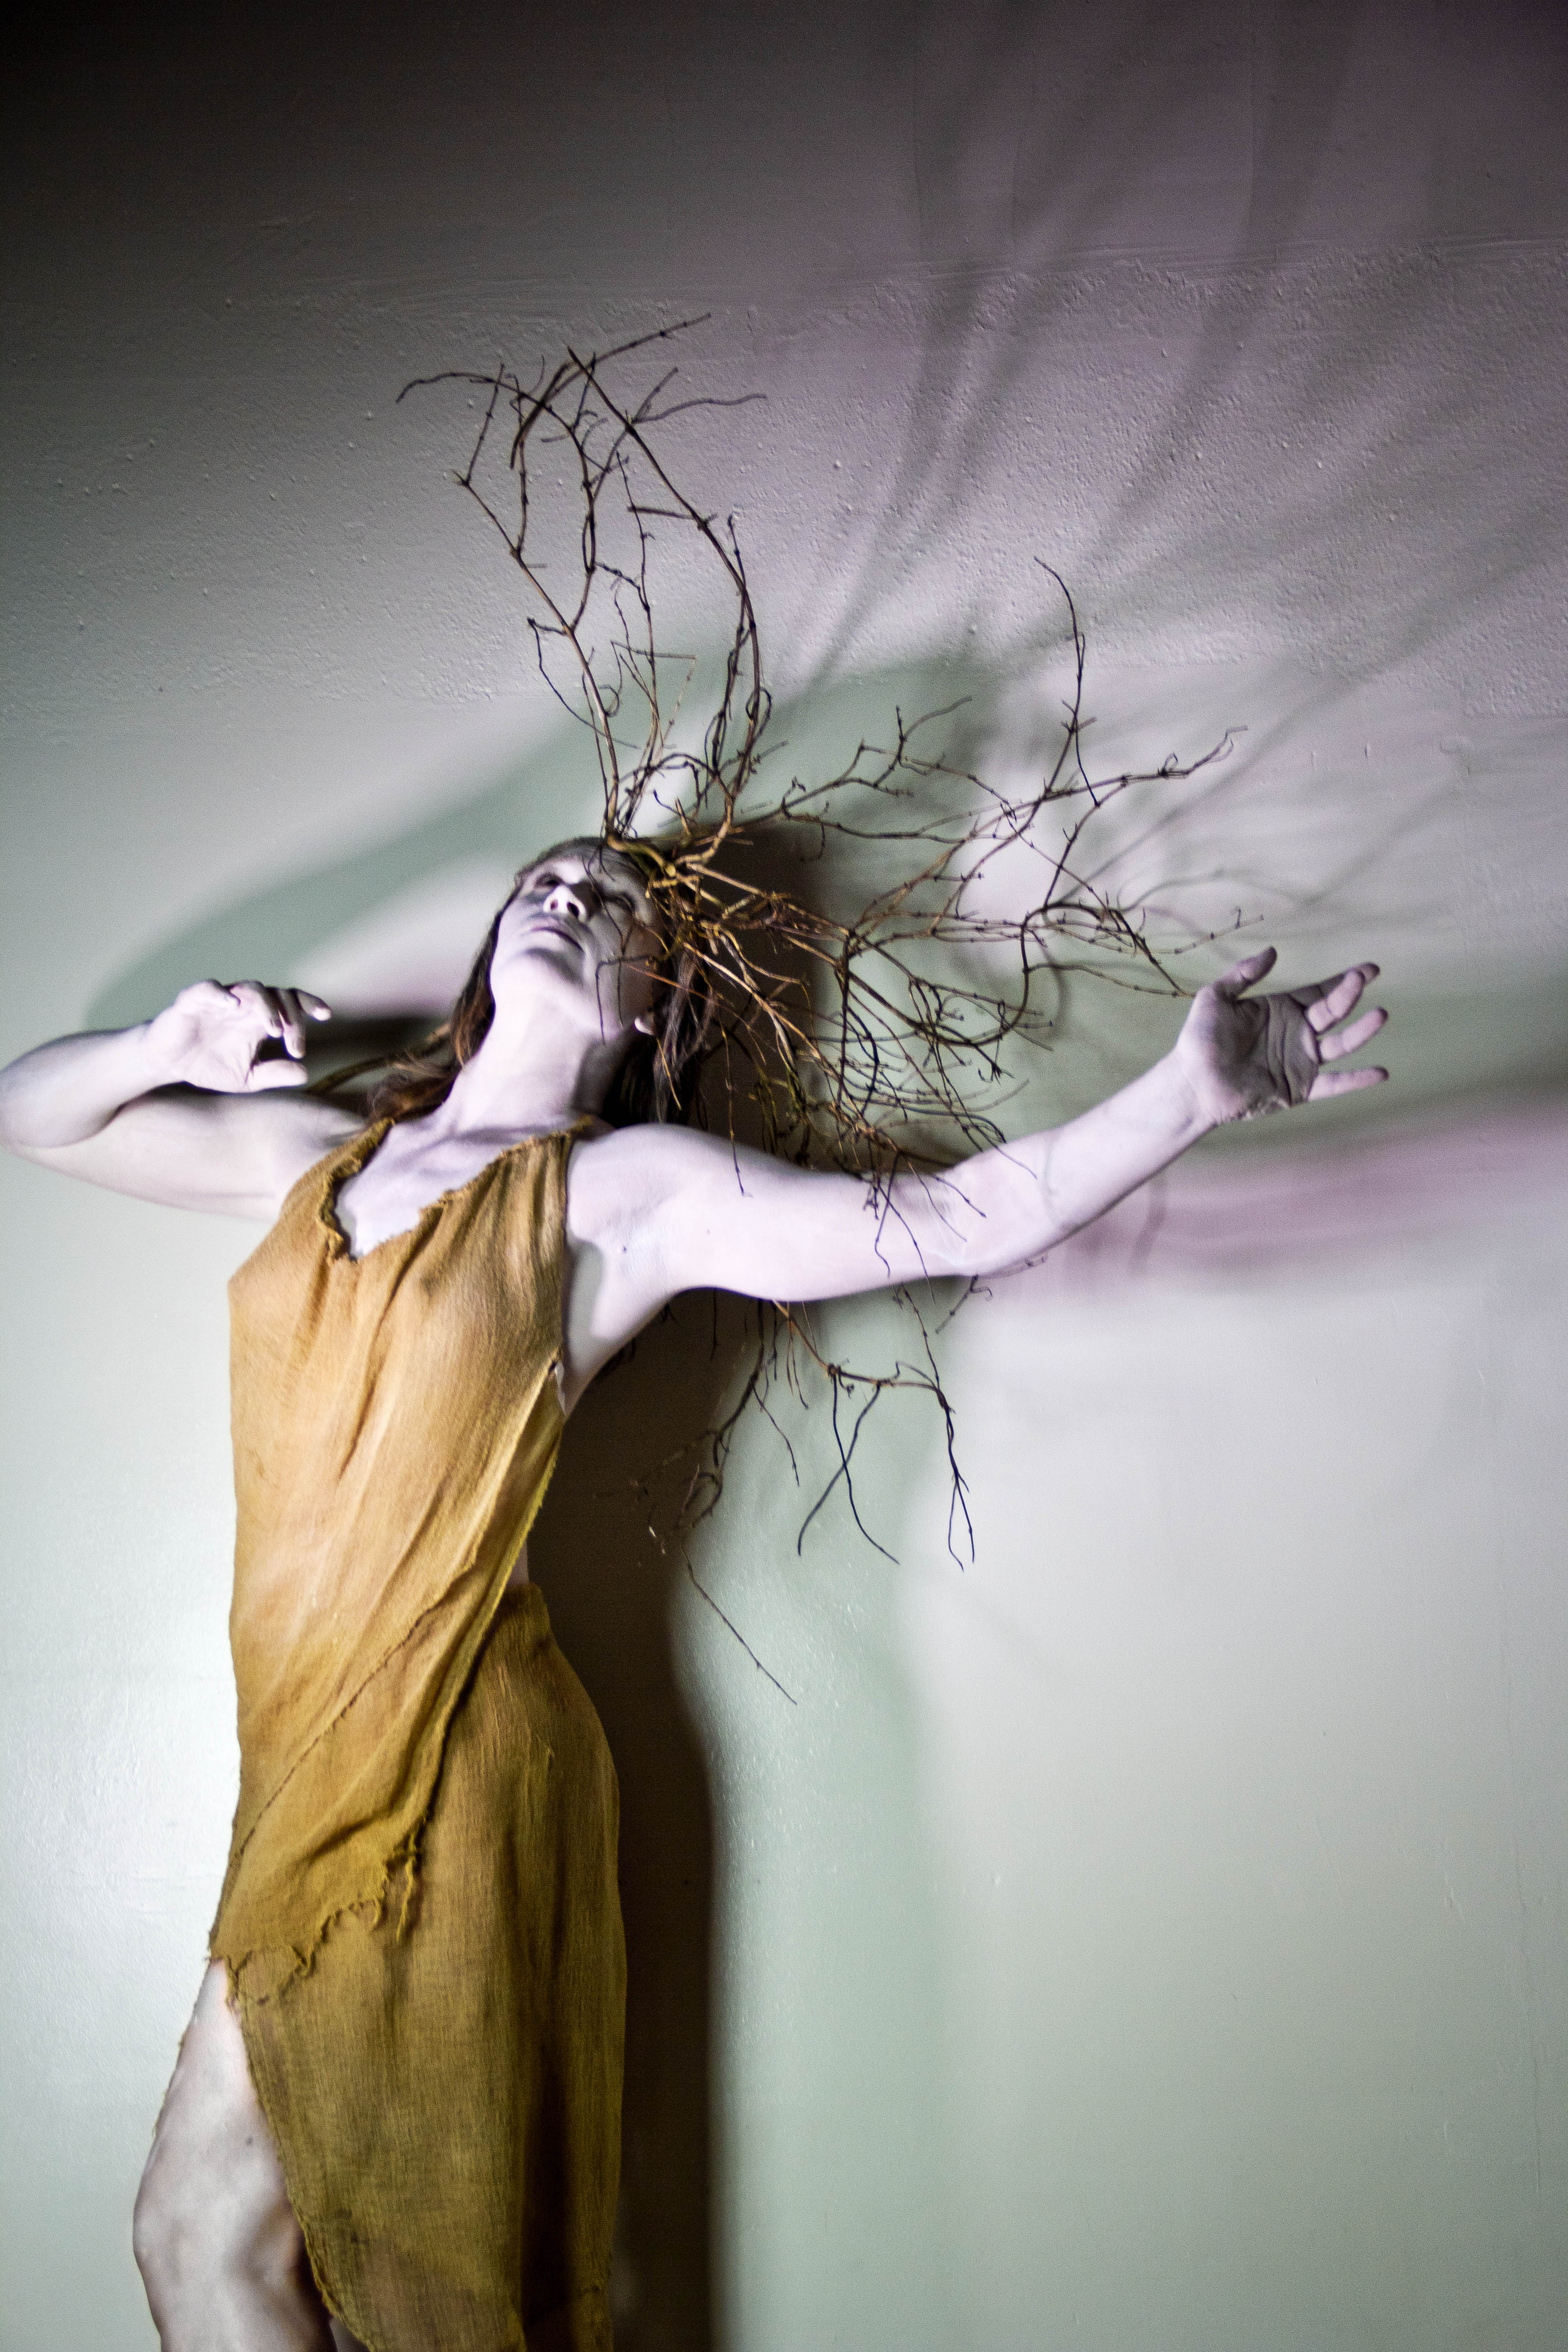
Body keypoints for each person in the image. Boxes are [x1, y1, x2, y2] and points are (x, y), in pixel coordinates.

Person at [0, 837, 1387, 2352]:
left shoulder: (626, 1193)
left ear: (650, 1004)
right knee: (271, 2257)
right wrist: (166, 1047)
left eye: (617, 903)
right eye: (549, 881)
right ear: (491, 945)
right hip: (292, 1759)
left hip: (446, 1754)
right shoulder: (317, 1156)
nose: (572, 896)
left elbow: (953, 1219)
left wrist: (1185, 1095)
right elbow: (30, 1118)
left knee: (222, 2236)